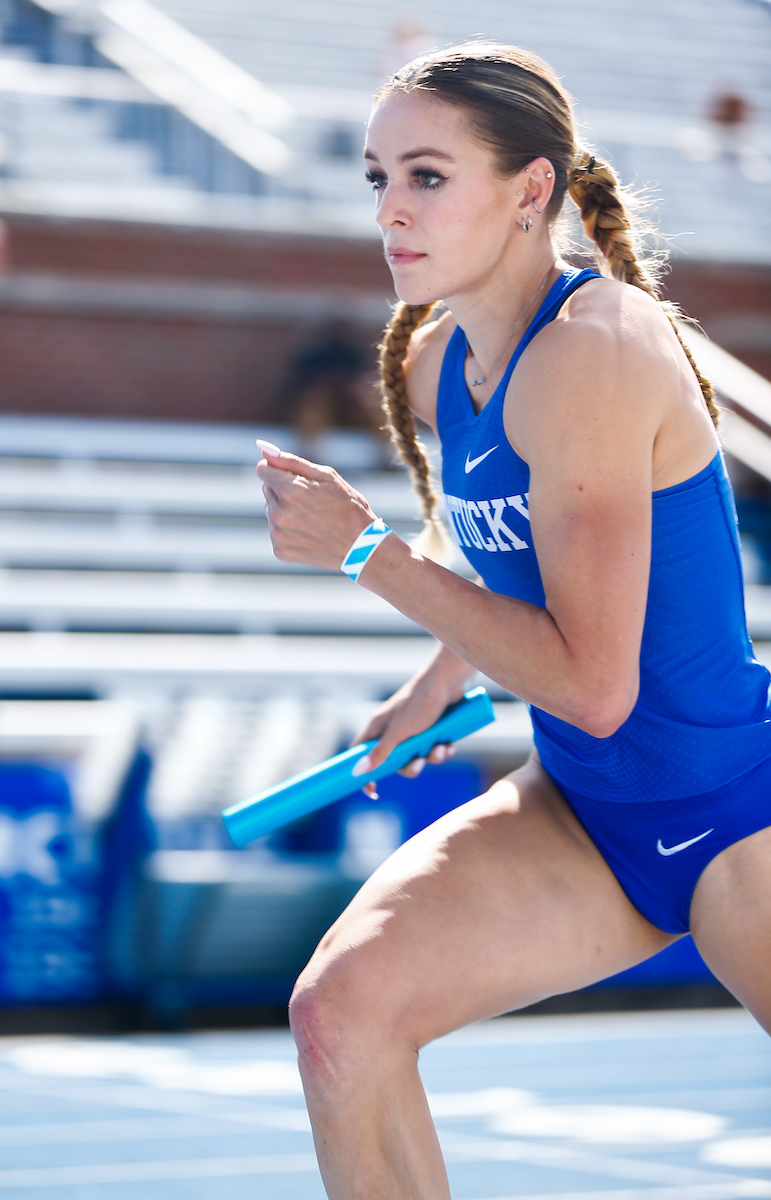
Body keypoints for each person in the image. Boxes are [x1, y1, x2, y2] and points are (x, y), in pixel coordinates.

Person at [256, 43, 771, 1200]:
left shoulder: (593, 349)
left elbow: (594, 686)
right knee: (341, 1019)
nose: (389, 209)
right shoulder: (446, 357)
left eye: (426, 176)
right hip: (585, 808)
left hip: (735, 814)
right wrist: (439, 681)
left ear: (529, 190)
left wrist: (360, 550)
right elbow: (515, 566)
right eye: (376, 177)